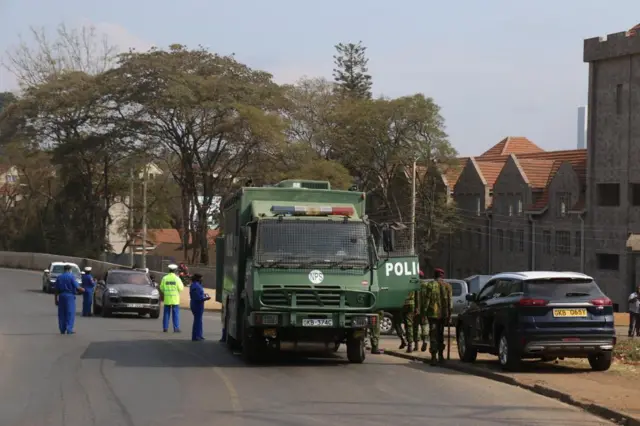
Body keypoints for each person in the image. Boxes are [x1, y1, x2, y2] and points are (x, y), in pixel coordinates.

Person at [419, 268, 452, 365]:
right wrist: (449, 315)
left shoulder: (430, 285)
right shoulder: (448, 286)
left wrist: (424, 313)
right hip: (443, 315)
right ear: (442, 276)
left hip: (432, 314)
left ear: (435, 275)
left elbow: (427, 300)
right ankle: (441, 356)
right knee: (440, 334)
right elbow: (450, 303)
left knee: (433, 334)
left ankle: (434, 357)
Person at [54, 264, 85, 334]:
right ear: (69, 270)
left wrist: (56, 299)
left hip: (61, 296)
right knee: (70, 312)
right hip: (69, 296)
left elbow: (56, 290)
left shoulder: (59, 277)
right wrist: (83, 290)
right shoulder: (71, 277)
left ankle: (62, 329)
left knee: (62, 313)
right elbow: (77, 287)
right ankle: (69, 329)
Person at [159, 264, 184, 333]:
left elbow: (161, 288)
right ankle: (176, 328)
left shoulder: (165, 278)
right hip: (175, 299)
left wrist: (166, 292)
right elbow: (181, 288)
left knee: (166, 314)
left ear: (169, 270)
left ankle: (165, 328)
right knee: (175, 314)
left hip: (167, 299)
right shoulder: (177, 278)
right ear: (175, 270)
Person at [189, 273, 211, 341]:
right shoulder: (196, 286)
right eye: (201, 278)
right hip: (197, 304)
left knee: (199, 320)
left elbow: (199, 294)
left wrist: (204, 295)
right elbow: (197, 297)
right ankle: (196, 336)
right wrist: (206, 298)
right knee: (197, 320)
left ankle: (199, 335)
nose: (202, 279)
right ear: (198, 279)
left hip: (198, 304)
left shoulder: (197, 285)